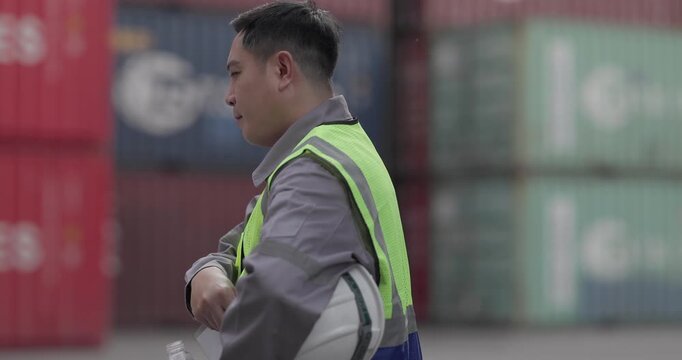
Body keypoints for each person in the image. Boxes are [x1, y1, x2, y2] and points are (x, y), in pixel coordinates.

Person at [184, 1, 422, 359]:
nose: (228, 95)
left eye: (235, 73)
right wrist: (204, 274)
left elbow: (271, 300)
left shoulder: (315, 172)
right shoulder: (336, 149)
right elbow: (243, 250)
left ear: (282, 70)